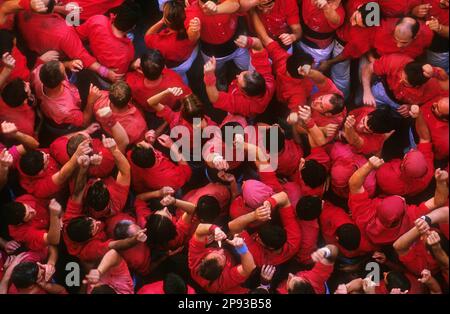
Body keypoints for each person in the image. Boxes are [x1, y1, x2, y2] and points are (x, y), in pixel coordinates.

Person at [348, 157, 449, 246]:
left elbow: (354, 184)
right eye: (403, 202)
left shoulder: (364, 213)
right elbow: (438, 202)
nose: (404, 198)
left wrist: (369, 165)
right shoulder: (411, 218)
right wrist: (441, 182)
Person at [203, 36, 275, 118]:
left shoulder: (243, 105)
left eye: (238, 81)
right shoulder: (268, 80)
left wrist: (209, 75)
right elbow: (258, 47)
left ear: (245, 93)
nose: (237, 76)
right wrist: (249, 41)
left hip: (243, 113)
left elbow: (214, 98)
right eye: (243, 74)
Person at [188, 224, 256, 294]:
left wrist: (215, 230)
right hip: (238, 260)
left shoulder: (195, 260)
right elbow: (249, 268)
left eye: (215, 253)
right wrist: (242, 248)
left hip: (223, 243)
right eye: (222, 257)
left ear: (203, 260)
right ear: (222, 270)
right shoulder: (223, 281)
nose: (221, 251)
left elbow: (199, 230)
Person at [145, 1, 198, 83]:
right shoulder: (191, 28)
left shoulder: (163, 43)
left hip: (177, 67)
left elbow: (148, 36)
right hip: (191, 56)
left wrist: (161, 21)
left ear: (167, 21)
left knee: (180, 78)